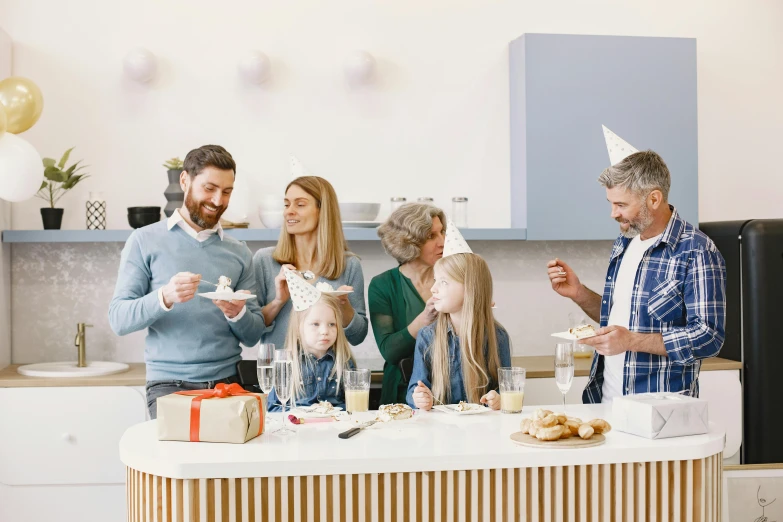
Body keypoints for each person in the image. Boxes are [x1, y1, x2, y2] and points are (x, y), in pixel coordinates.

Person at [546, 150, 726, 403]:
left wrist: (631, 341)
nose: (613, 213)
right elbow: (619, 318)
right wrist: (579, 293)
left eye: (621, 205)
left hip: (660, 411)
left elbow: (709, 338)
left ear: (654, 199)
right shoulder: (625, 242)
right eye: (611, 203)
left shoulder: (696, 250)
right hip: (605, 402)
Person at [109, 145, 265, 418]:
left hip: (228, 385)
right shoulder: (144, 241)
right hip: (168, 387)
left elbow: (253, 335)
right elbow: (119, 319)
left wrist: (236, 312)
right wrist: (164, 297)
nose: (218, 200)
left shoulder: (239, 251)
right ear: (185, 181)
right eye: (209, 188)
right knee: (178, 459)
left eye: (226, 191)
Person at [253, 176, 368, 348]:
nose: (288, 212)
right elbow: (251, 332)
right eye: (286, 204)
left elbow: (357, 337)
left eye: (300, 204)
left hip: (330, 373)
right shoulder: (264, 261)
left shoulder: (349, 265)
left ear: (323, 211)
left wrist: (344, 305)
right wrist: (278, 301)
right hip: (281, 373)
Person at [407, 223, 511, 410]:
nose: (433, 288)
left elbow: (508, 389)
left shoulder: (497, 336)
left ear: (470, 289)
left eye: (444, 282)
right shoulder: (428, 336)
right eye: (435, 280)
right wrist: (419, 398)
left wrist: (499, 398)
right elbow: (415, 389)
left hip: (483, 429)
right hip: (440, 430)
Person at [369, 203, 446, 405]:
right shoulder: (383, 285)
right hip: (402, 396)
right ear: (408, 242)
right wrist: (425, 318)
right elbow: (390, 351)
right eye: (431, 236)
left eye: (442, 232)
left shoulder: (453, 279)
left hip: (451, 393)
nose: (442, 241)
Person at [266, 271, 356, 411]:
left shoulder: (344, 361)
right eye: (315, 324)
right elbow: (273, 408)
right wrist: (303, 413)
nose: (325, 331)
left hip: (334, 429)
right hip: (298, 429)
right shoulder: (287, 364)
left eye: (332, 324)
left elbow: (353, 406)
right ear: (298, 328)